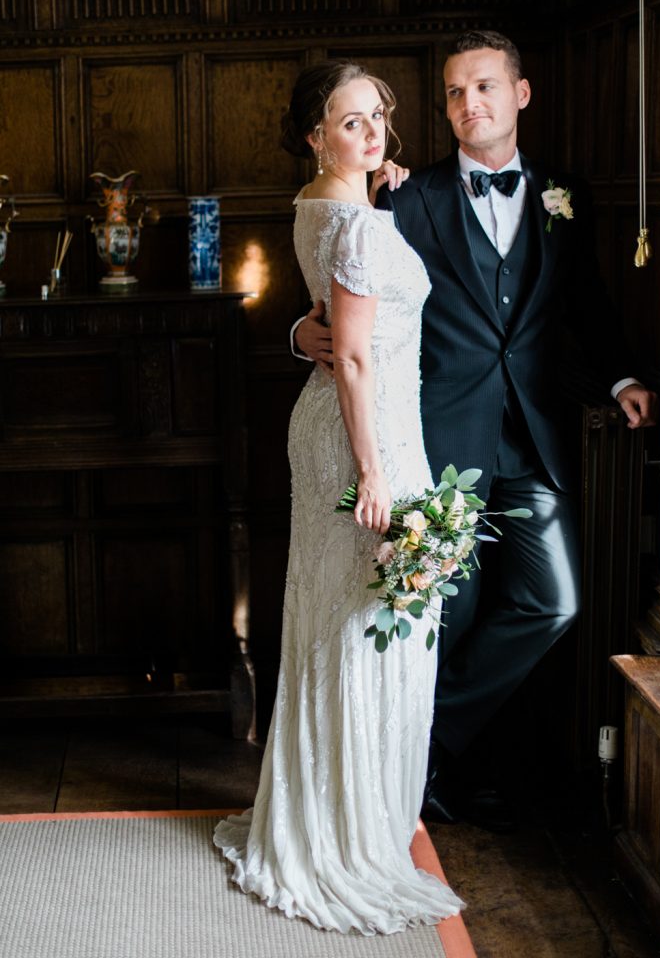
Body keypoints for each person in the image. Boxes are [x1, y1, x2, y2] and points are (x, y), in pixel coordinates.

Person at [294, 30, 658, 831]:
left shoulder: (564, 194)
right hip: (435, 440)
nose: (470, 104)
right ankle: (409, 776)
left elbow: (585, 302)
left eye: (485, 87)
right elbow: (345, 292)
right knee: (436, 618)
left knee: (554, 601)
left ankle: (426, 744)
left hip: (534, 441)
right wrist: (299, 332)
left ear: (520, 94)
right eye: (455, 92)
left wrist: (622, 379)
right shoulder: (403, 195)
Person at [213, 61, 463, 934]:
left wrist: (376, 191)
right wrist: (373, 472)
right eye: (348, 122)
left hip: (353, 422)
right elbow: (352, 354)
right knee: (365, 627)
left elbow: (337, 309)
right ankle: (347, 833)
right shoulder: (352, 223)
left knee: (345, 619)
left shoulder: (322, 203)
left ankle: (344, 810)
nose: (370, 133)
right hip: (365, 433)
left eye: (376, 118)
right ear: (314, 135)